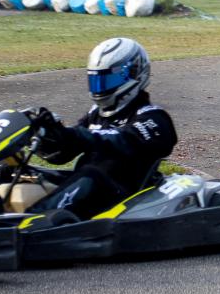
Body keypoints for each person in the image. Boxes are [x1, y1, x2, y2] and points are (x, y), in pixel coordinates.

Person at [34, 38, 177, 219]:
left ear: (135, 74)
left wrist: (81, 136)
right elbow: (66, 153)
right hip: (89, 189)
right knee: (22, 173)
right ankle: (3, 213)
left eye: (109, 79)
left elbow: (123, 139)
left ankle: (32, 221)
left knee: (90, 174)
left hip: (122, 197)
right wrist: (50, 135)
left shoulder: (154, 117)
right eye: (97, 80)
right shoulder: (97, 114)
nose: (101, 87)